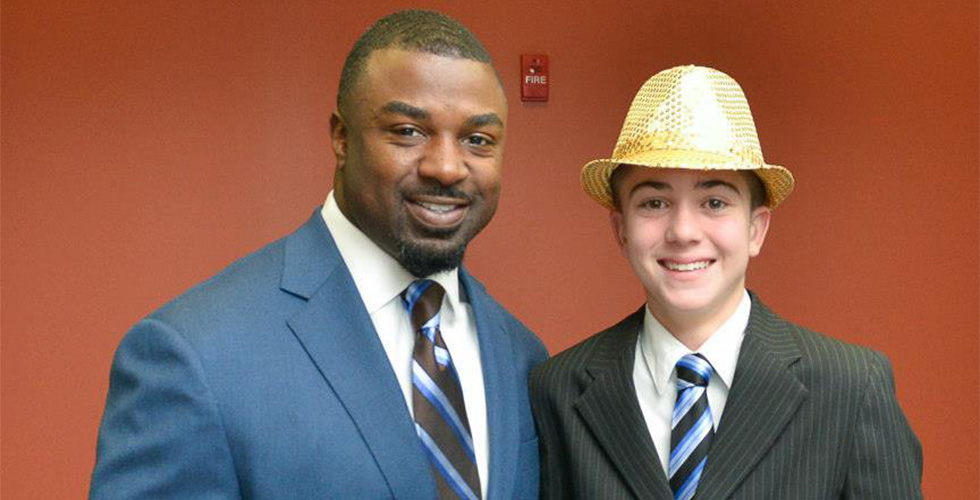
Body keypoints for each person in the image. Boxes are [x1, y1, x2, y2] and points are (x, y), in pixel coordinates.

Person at [90, 10, 547, 500]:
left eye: (477, 140)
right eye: (408, 131)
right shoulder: (195, 355)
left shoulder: (526, 359)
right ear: (342, 138)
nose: (446, 166)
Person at [529, 65, 922, 499]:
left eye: (714, 202)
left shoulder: (850, 386)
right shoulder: (558, 388)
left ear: (756, 229)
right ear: (620, 229)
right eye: (654, 202)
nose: (683, 231)